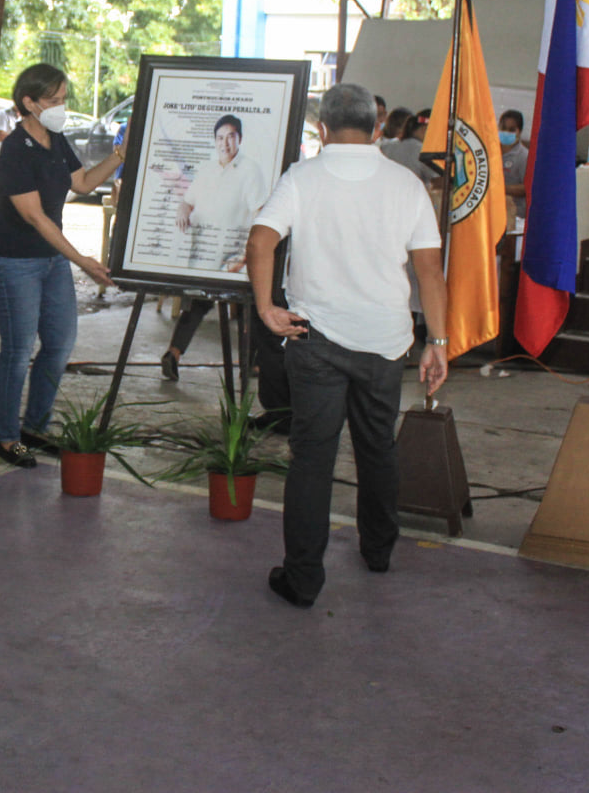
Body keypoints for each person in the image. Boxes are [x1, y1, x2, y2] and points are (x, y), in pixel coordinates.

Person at [247, 83, 448, 606]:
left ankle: (303, 579)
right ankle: (378, 550)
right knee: (377, 447)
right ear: (378, 128)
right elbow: (430, 270)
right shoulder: (405, 184)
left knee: (312, 458)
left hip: (316, 339)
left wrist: (268, 308)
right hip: (386, 341)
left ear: (322, 128)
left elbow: (260, 241)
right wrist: (439, 342)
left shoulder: (303, 177)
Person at [0, 63, 125, 467]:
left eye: (64, 100)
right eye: (53, 101)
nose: (61, 107)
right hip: (14, 260)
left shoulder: (57, 139)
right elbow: (36, 218)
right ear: (28, 103)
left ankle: (35, 427)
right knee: (18, 349)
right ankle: (8, 438)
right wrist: (83, 261)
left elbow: (81, 184)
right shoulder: (14, 151)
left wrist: (120, 155)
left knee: (60, 342)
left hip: (49, 260)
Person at [175, 114, 271, 272]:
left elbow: (260, 217)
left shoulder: (250, 170)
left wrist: (244, 257)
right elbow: (187, 202)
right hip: (197, 260)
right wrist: (183, 211)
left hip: (227, 265)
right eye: (220, 138)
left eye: (230, 137)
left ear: (240, 139)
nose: (224, 144)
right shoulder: (207, 169)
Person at [499, 109, 528, 221]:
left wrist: (501, 189)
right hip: (494, 211)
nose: (506, 132)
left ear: (519, 131)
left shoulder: (524, 156)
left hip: (516, 215)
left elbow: (527, 188)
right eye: (504, 128)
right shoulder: (492, 153)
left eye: (511, 130)